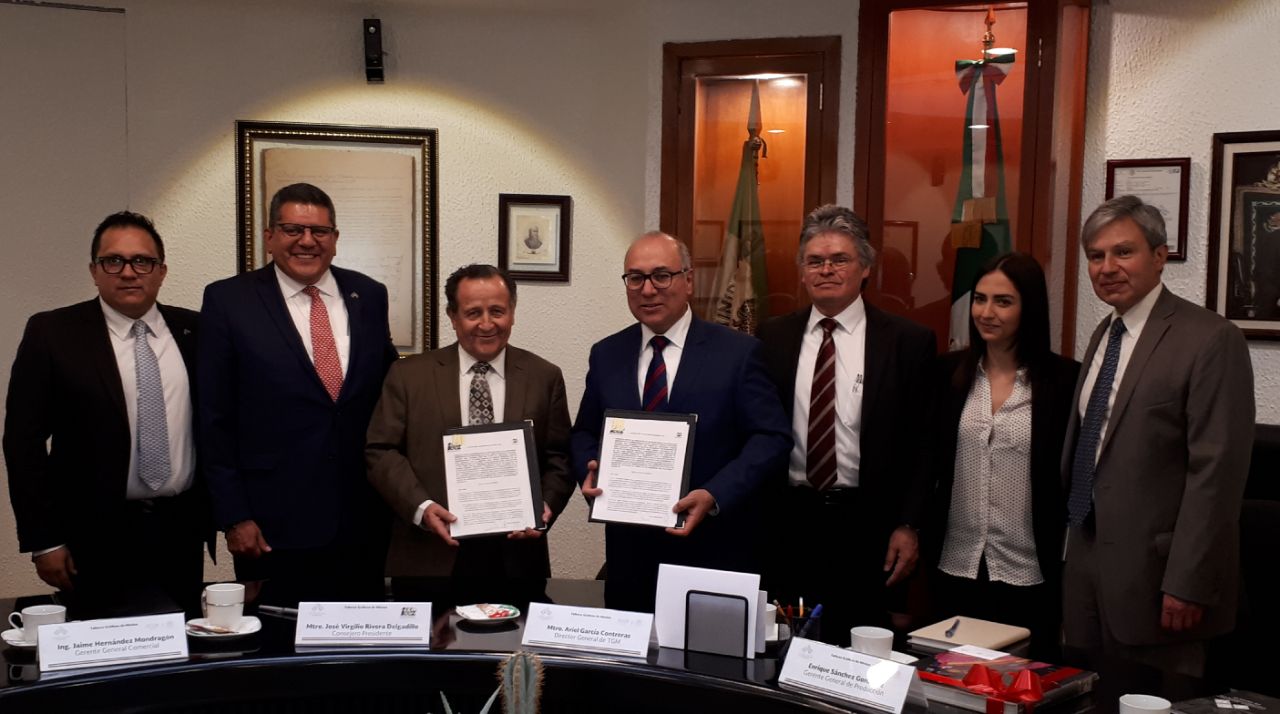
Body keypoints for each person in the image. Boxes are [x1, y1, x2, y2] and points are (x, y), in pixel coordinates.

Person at [1062, 195, 1254, 676]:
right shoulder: (1104, 334)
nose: (1107, 267)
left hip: (1160, 581)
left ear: (1160, 256)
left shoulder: (1210, 339)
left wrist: (1188, 581)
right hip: (1087, 568)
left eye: (1123, 252)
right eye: (1096, 255)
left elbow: (1216, 474)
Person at [199, 182, 398, 604]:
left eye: (319, 231)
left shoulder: (369, 296)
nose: (307, 241)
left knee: (362, 639)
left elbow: (388, 396)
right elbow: (213, 418)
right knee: (277, 641)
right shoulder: (228, 301)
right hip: (271, 525)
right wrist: (234, 516)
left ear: (335, 239)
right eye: (292, 229)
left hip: (363, 520)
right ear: (269, 236)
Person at [571, 231, 791, 612]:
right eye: (635, 278)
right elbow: (584, 432)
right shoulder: (607, 354)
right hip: (630, 558)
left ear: (688, 281)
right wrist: (589, 469)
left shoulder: (738, 353)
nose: (648, 289)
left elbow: (771, 437)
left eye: (662, 275)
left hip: (714, 549)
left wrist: (715, 494)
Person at [3, 211, 210, 615]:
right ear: (94, 271)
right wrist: (44, 540)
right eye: (113, 261)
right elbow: (22, 444)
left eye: (142, 261)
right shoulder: (53, 333)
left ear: (162, 271)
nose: (128, 272)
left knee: (179, 644)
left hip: (180, 531)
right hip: (91, 537)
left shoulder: (197, 330)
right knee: (101, 647)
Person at [757, 204, 935, 645]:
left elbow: (924, 445)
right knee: (786, 647)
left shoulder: (907, 342)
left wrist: (909, 524)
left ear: (865, 268)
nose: (826, 270)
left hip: (868, 526)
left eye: (840, 259)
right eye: (814, 261)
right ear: (802, 272)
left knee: (862, 652)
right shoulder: (772, 337)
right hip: (789, 521)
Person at [366, 264, 574, 605]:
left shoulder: (544, 376)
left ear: (512, 312)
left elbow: (560, 457)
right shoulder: (408, 376)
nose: (487, 324)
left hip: (516, 559)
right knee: (432, 642)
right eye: (473, 313)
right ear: (452, 316)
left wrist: (545, 505)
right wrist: (422, 507)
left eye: (497, 311)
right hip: (429, 556)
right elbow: (380, 451)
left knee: (514, 642)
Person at [926, 252, 1079, 660]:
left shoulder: (1065, 382)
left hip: (1029, 572)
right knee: (950, 679)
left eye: (1003, 301)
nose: (986, 312)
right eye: (980, 299)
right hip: (955, 564)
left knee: (1022, 684)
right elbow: (926, 462)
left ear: (1030, 308)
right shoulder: (946, 374)